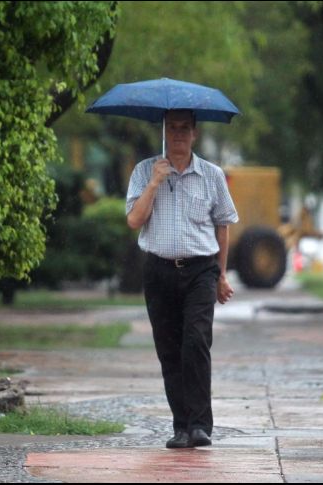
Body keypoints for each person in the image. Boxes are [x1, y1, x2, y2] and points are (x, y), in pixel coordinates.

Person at [125, 109, 238, 449]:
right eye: (171, 128)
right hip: (158, 271)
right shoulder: (145, 171)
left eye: (184, 129)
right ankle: (181, 427)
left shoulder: (212, 175)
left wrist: (221, 274)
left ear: (195, 134)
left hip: (201, 270)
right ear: (163, 131)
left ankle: (201, 424)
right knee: (169, 349)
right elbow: (134, 220)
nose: (177, 134)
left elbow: (223, 225)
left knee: (196, 341)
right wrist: (155, 183)